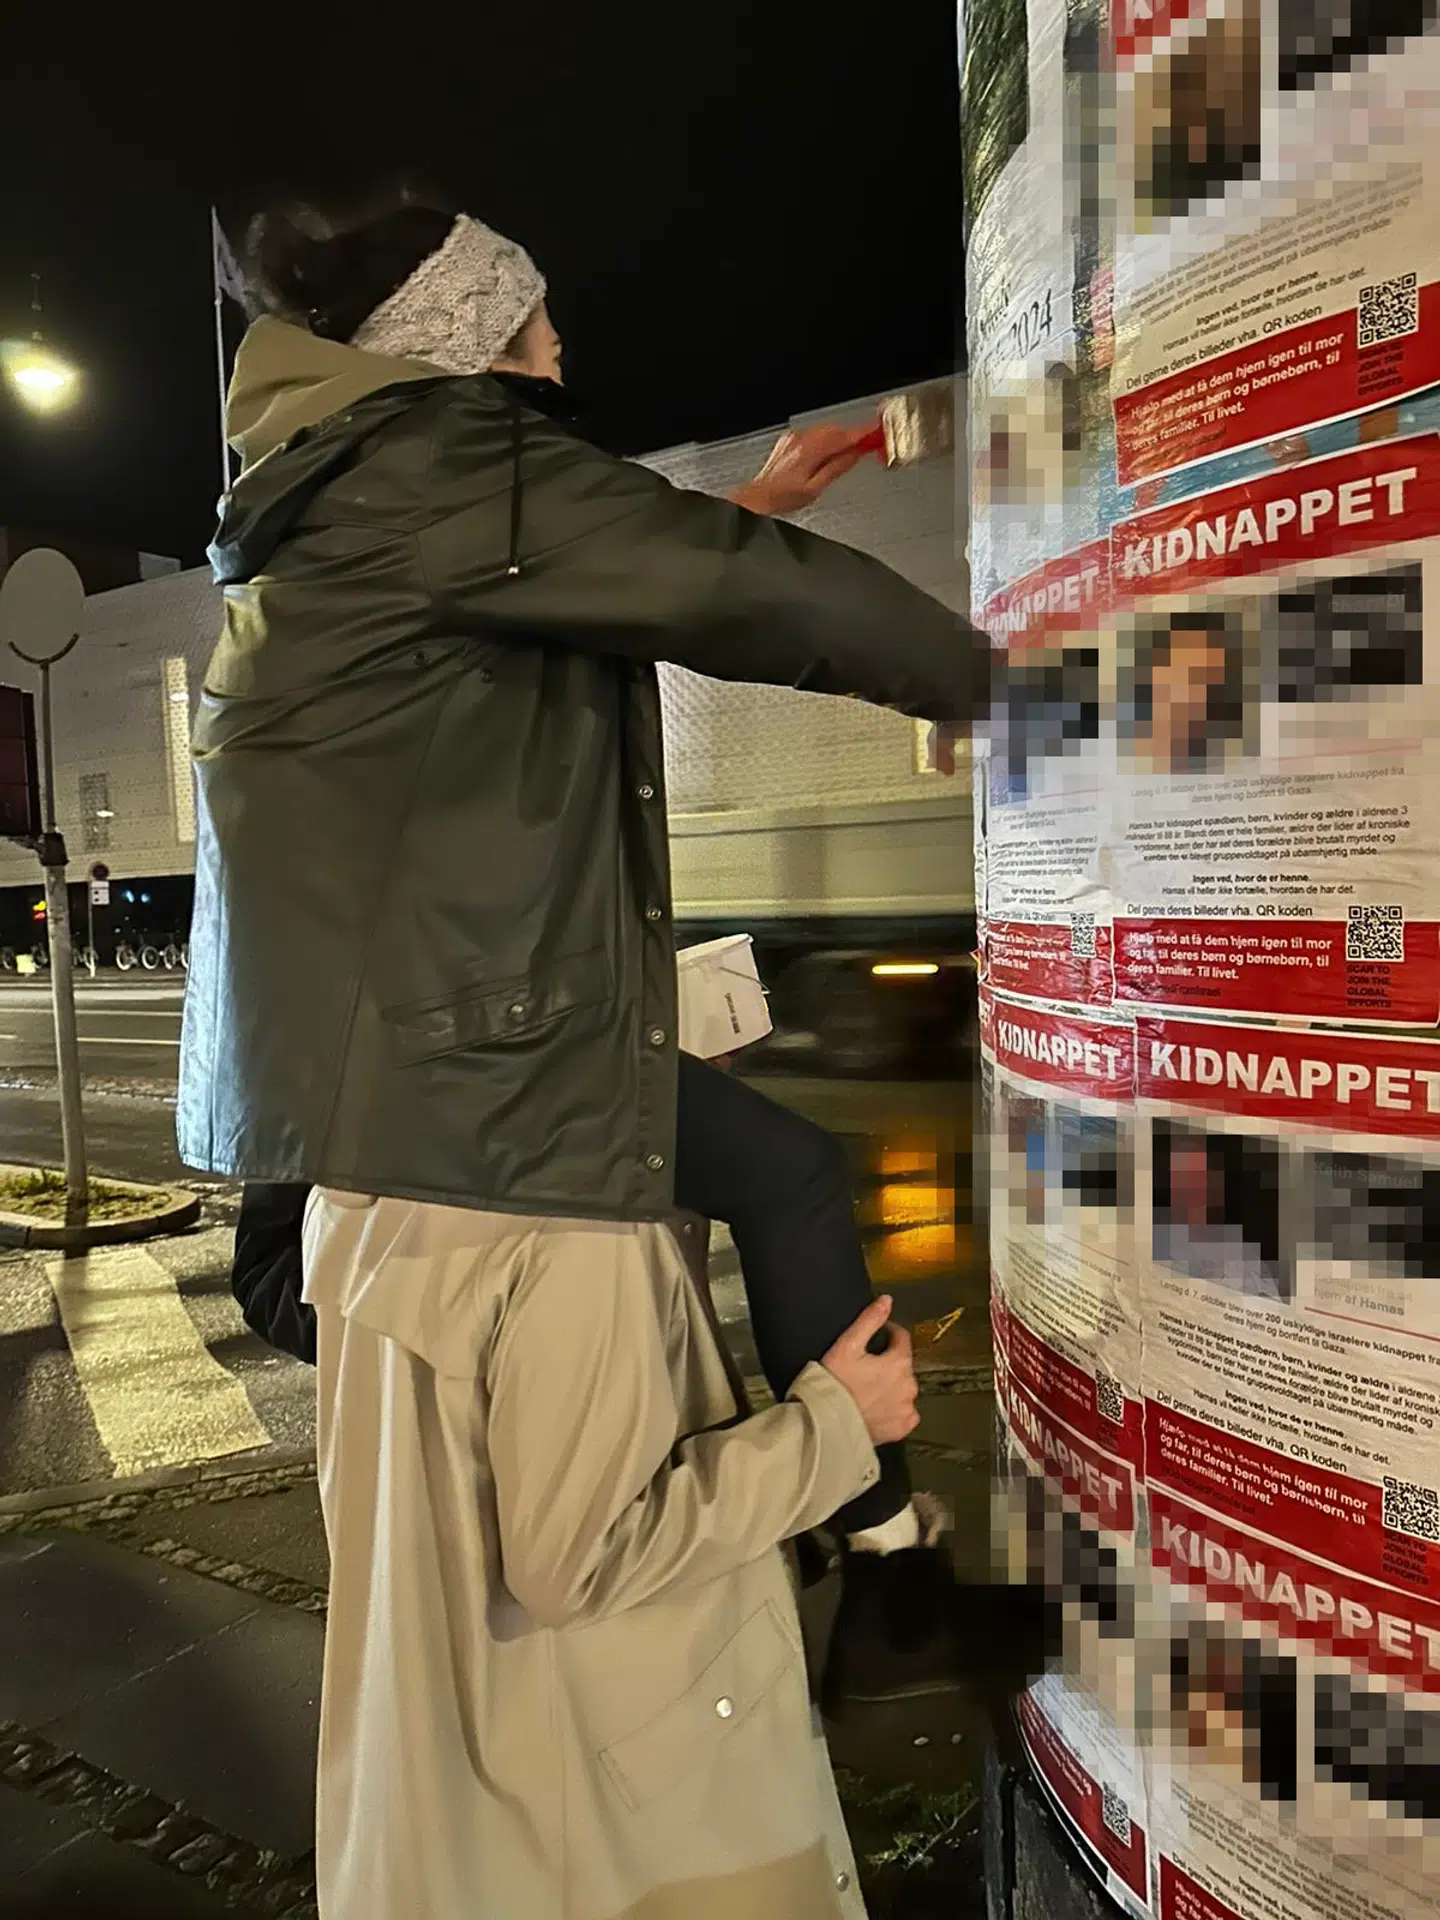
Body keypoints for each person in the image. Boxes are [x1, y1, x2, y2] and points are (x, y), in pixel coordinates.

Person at [179, 178, 1018, 1909]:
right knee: (593, 1550)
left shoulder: (344, 504)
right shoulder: (443, 473)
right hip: (490, 1098)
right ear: (467, 339)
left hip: (396, 1101)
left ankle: (883, 1574)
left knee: (779, 1172)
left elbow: (607, 581)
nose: (562, 339)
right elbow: (752, 595)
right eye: (535, 314)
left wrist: (744, 508)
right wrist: (1017, 689)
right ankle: (871, 1540)